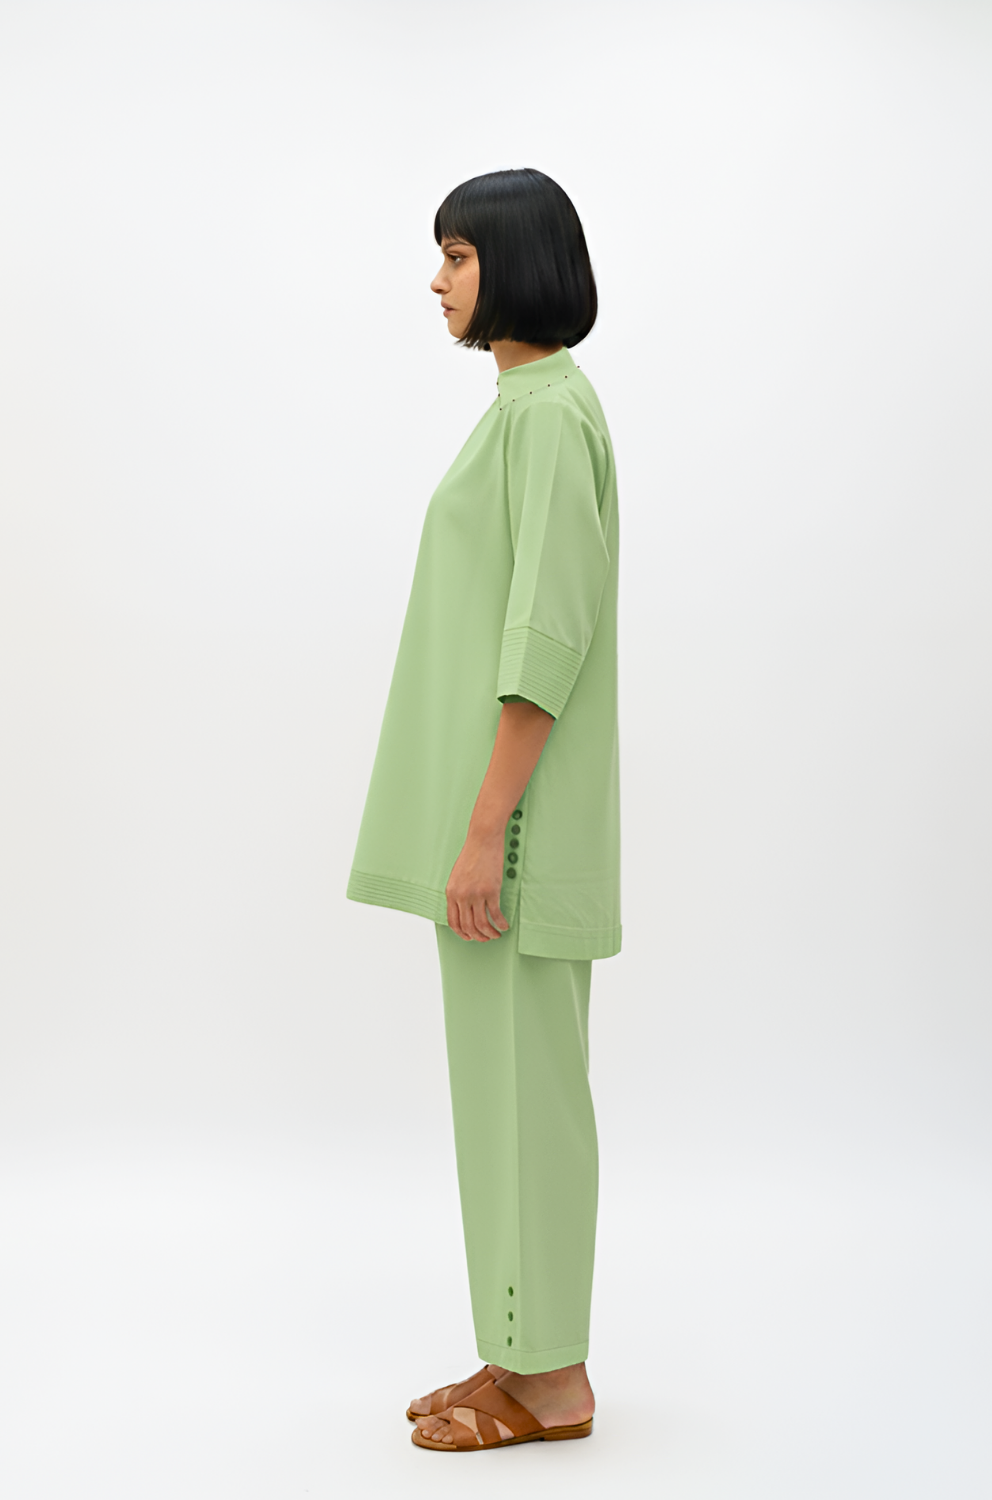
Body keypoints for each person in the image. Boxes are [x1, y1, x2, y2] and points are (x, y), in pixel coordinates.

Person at [346, 166, 621, 1453]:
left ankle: (553, 1384)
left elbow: (543, 638)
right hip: (499, 829)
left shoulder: (550, 416)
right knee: (502, 1104)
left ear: (516, 264)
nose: (438, 280)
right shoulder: (522, 409)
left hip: (515, 835)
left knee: (530, 1106)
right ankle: (521, 1351)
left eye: (457, 256)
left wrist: (482, 831)